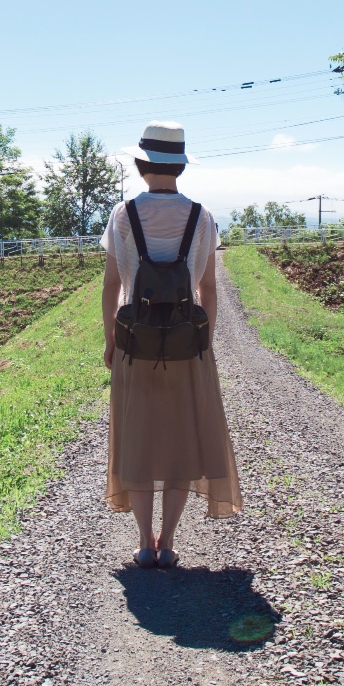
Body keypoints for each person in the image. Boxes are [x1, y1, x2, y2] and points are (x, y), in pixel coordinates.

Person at [100, 120, 243, 568]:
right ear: (179, 166)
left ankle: (143, 543)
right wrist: (205, 345)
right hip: (186, 345)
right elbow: (208, 290)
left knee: (139, 436)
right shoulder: (202, 217)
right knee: (181, 438)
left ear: (142, 164)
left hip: (134, 343)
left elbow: (111, 287)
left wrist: (110, 342)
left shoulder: (124, 215)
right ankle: (169, 542)